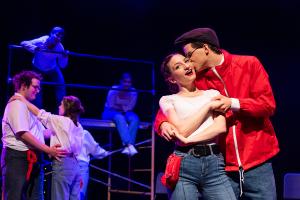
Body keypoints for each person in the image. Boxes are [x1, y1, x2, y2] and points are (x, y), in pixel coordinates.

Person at [154, 28, 279, 199]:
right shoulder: (196, 79)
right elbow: (173, 104)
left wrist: (233, 103)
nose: (188, 62)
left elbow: (267, 105)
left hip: (257, 161)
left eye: (189, 55)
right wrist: (162, 124)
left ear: (205, 48)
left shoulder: (248, 64)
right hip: (222, 166)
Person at [159, 53, 236, 200]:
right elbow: (181, 130)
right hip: (184, 165)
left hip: (214, 164)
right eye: (178, 66)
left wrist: (188, 141)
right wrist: (207, 107)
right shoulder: (168, 100)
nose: (186, 66)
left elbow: (219, 128)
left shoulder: (213, 94)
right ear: (171, 79)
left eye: (186, 61)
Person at [1, 70, 65, 200]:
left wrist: (62, 125)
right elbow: (23, 133)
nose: (38, 90)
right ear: (24, 85)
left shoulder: (26, 106)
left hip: (34, 158)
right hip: (18, 158)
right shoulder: (16, 104)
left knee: (36, 197)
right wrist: (48, 150)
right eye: (35, 87)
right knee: (15, 196)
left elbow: (42, 133)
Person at [9, 94, 85, 200]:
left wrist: (22, 100)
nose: (59, 107)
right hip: (75, 166)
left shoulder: (60, 121)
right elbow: (49, 133)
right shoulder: (78, 126)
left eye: (61, 105)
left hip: (62, 163)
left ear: (66, 108)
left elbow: (40, 114)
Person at [20, 26, 68, 108]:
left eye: (61, 37)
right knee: (36, 88)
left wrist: (65, 56)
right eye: (57, 35)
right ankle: (38, 112)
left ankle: (62, 111)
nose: (58, 38)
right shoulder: (42, 40)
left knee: (61, 85)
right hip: (38, 68)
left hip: (52, 68)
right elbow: (23, 43)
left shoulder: (60, 47)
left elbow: (63, 66)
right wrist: (35, 48)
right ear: (51, 34)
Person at [102, 72, 140, 156]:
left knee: (135, 119)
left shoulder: (133, 92)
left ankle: (127, 147)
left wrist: (121, 107)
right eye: (125, 82)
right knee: (119, 117)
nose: (127, 84)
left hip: (125, 112)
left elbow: (130, 107)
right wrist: (122, 107)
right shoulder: (114, 90)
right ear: (121, 81)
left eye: (129, 82)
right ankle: (129, 144)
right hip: (110, 112)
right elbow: (111, 105)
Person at [77, 129, 111, 200]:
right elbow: (95, 150)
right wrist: (105, 153)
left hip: (65, 165)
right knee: (79, 195)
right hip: (80, 166)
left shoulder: (62, 131)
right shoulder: (83, 133)